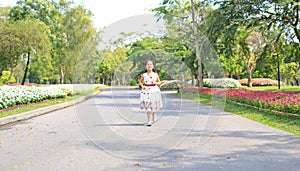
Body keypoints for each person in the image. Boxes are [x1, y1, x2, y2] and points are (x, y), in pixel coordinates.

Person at [138, 60, 163, 126]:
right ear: (145, 67)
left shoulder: (155, 74)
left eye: (150, 64)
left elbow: (159, 83)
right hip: (146, 91)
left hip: (154, 90)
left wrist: (156, 83)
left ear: (153, 66)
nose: (149, 66)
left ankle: (154, 115)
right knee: (148, 106)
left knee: (153, 105)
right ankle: (149, 121)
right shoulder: (144, 75)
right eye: (148, 64)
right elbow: (140, 82)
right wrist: (142, 86)